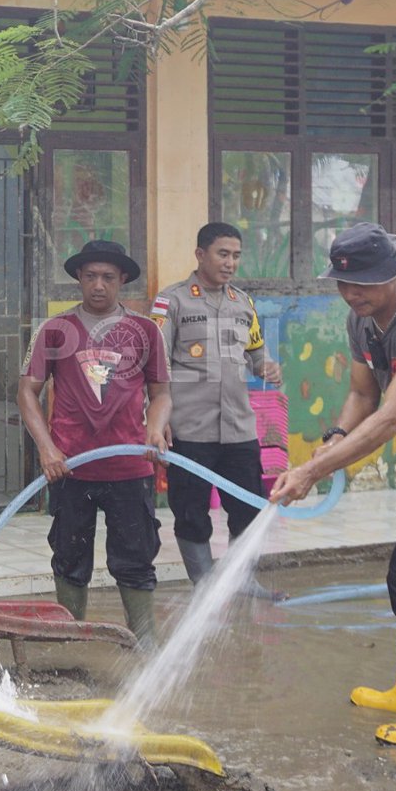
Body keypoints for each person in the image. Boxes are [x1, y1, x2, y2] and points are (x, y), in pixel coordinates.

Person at [271, 222, 396, 748]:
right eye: (343, 283)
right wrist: (333, 439)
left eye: (365, 284)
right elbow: (361, 394)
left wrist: (316, 469)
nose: (352, 294)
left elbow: (388, 419)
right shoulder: (363, 322)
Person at [18, 240, 171, 645]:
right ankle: (70, 639)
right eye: (90, 276)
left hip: (131, 466)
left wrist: (155, 429)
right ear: (78, 280)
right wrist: (47, 448)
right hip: (69, 468)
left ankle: (145, 643)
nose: (98, 285)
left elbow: (162, 394)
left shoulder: (145, 331)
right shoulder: (55, 330)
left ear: (122, 280)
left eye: (107, 277)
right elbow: (26, 392)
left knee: (136, 557)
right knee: (69, 557)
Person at [151, 222, 284, 599]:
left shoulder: (244, 303)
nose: (230, 263)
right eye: (222, 254)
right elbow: (154, 368)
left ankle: (242, 580)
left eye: (236, 256)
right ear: (200, 255)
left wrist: (267, 367)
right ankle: (204, 585)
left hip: (239, 430)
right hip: (189, 429)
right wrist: (157, 422)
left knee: (249, 510)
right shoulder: (171, 302)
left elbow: (256, 355)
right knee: (191, 513)